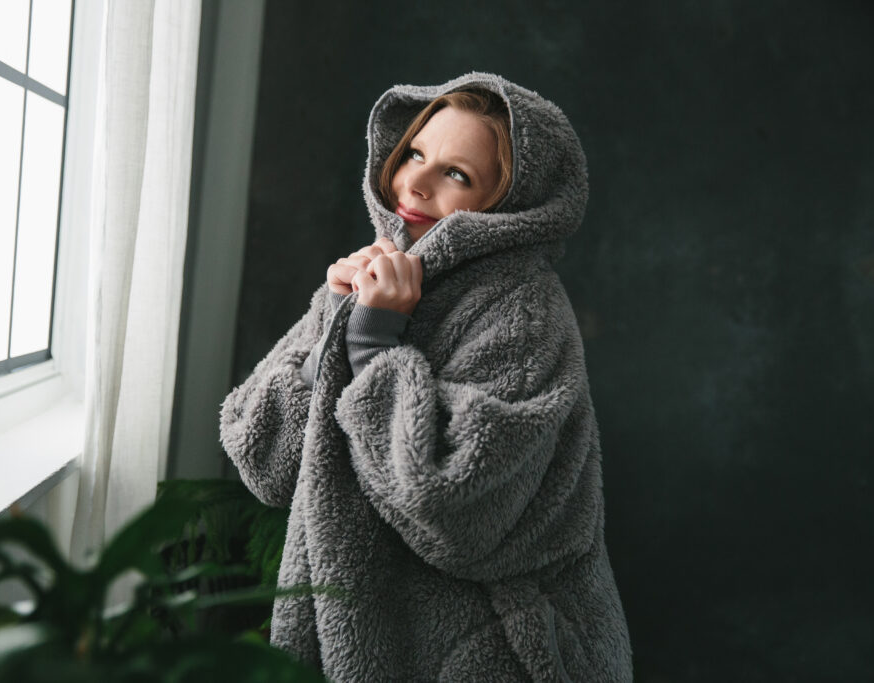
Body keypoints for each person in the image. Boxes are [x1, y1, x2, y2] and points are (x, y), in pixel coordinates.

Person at [220, 72, 632, 682]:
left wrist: (373, 348)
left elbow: (454, 508)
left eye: (456, 174)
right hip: (348, 637)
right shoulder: (375, 278)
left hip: (489, 654)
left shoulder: (527, 313)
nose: (414, 182)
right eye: (414, 153)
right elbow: (266, 462)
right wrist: (335, 325)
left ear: (510, 206)